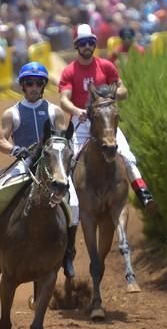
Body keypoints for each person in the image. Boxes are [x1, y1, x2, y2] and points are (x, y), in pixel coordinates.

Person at [0, 61, 80, 277]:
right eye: (29, 83)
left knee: (73, 204)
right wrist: (15, 149)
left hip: (50, 165)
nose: (34, 87)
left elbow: (62, 139)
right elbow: (1, 141)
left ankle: (68, 255)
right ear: (23, 86)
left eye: (38, 83)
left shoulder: (54, 111)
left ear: (43, 86)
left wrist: (65, 159)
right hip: (25, 164)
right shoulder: (12, 113)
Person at [59, 23, 157, 211]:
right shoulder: (70, 71)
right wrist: (77, 110)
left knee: (127, 155)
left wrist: (111, 96)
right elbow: (64, 99)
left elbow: (123, 90)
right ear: (76, 46)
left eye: (90, 43)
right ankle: (68, 205)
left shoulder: (106, 66)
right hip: (81, 122)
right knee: (70, 162)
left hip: (105, 121)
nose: (87, 46)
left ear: (94, 44)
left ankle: (143, 193)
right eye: (82, 43)